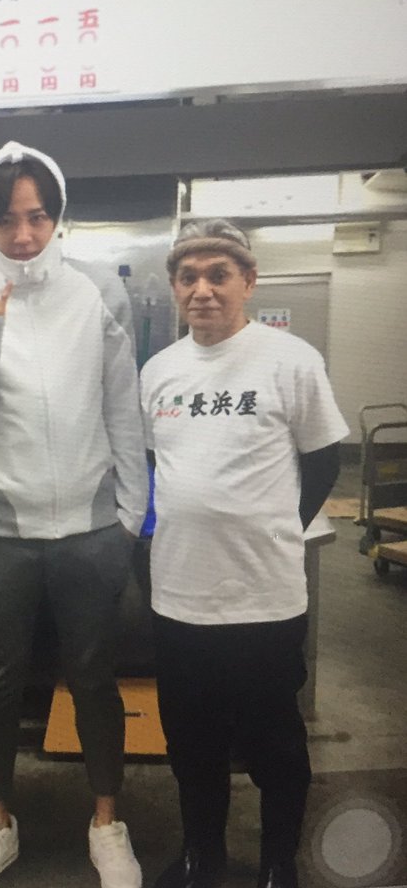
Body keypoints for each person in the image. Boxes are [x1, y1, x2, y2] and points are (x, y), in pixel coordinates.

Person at [0, 140, 149, 888]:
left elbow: (123, 407)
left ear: (57, 216)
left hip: (91, 529)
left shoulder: (98, 292)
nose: (23, 235)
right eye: (6, 219)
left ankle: (107, 823)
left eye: (38, 216)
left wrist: (129, 516)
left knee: (95, 682)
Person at [140, 219, 348, 888]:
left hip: (264, 599)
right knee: (191, 742)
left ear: (248, 282)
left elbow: (323, 461)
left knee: (274, 744)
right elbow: (157, 466)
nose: (202, 290)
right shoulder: (159, 371)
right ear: (175, 287)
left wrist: (277, 527)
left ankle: (278, 862)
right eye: (188, 277)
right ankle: (201, 855)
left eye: (218, 275)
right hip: (180, 599)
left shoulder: (290, 360)